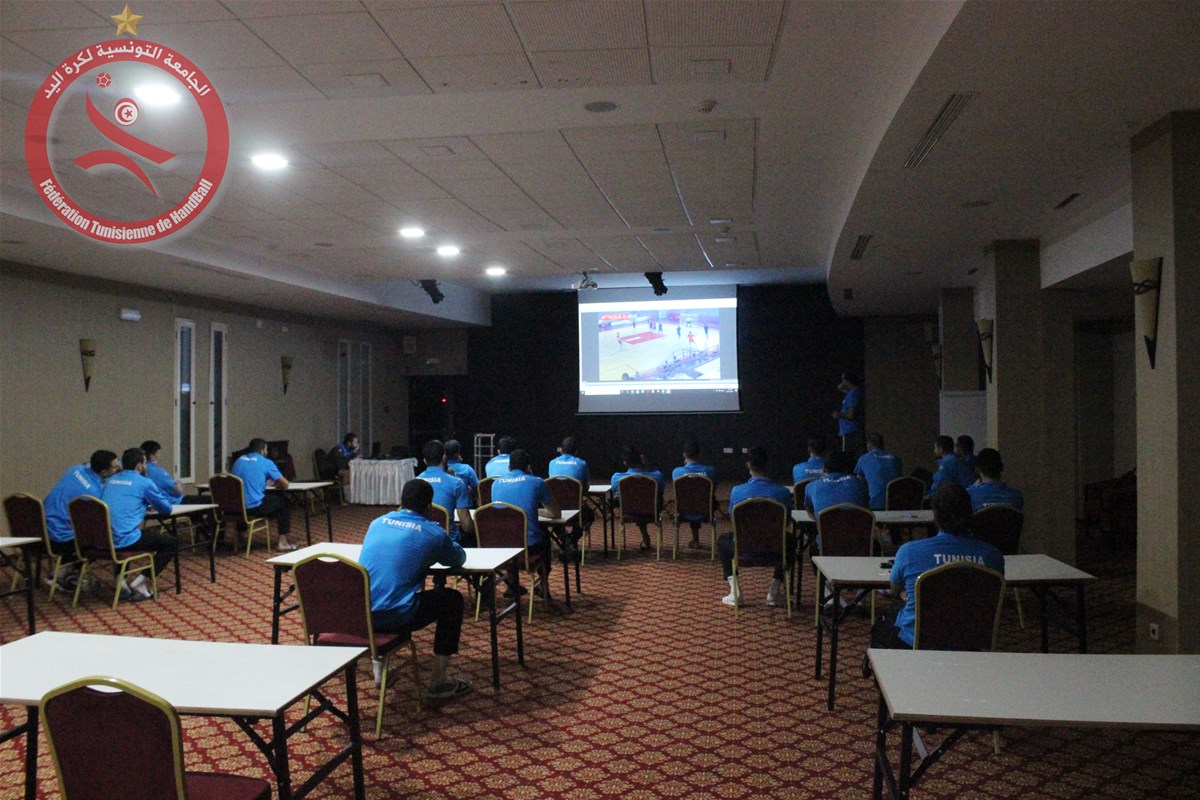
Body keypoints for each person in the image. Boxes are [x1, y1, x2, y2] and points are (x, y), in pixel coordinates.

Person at [359, 478, 471, 700]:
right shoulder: (432, 533)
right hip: (396, 616)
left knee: (382, 590)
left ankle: (379, 670)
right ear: (429, 507)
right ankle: (439, 681)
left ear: (401, 502)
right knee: (452, 600)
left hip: (361, 617)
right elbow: (458, 559)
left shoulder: (376, 523)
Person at [871, 483, 1005, 649]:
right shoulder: (993, 556)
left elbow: (894, 589)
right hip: (972, 639)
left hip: (918, 640)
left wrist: (909, 592)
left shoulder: (909, 552)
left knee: (882, 624)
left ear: (935, 514)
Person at [718, 447, 794, 607]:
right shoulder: (783, 493)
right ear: (767, 464)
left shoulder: (736, 492)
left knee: (723, 541)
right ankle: (774, 591)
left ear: (748, 465)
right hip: (775, 548)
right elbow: (786, 522)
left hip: (743, 548)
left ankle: (735, 592)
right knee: (791, 541)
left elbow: (734, 520)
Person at [100, 447, 178, 600]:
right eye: (145, 463)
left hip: (105, 538)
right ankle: (142, 582)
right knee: (171, 543)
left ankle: (121, 582)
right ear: (139, 466)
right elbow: (166, 509)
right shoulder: (144, 482)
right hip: (125, 539)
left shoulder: (110, 481)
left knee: (123, 528)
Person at [42, 450, 120, 582]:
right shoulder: (94, 492)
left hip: (43, 529)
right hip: (60, 538)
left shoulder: (75, 469)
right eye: (115, 467)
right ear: (103, 473)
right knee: (104, 541)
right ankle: (62, 574)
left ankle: (64, 572)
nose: (117, 468)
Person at [491, 449, 561, 587]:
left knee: (510, 535)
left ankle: (512, 584)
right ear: (528, 468)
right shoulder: (537, 482)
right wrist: (536, 511)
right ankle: (543, 584)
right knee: (545, 537)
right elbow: (555, 513)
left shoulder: (495, 484)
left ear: (509, 468)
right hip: (529, 549)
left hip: (502, 547)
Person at [231, 437, 296, 551]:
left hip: (236, 507)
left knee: (244, 498)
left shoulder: (238, 461)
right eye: (266, 449)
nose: (266, 452)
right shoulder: (266, 462)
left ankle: (240, 538)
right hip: (254, 507)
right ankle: (282, 543)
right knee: (284, 503)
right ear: (262, 450)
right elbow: (285, 484)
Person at [140, 440, 214, 537]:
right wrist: (178, 484)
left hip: (154, 506)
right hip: (174, 503)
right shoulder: (158, 471)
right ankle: (214, 535)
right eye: (158, 453)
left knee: (195, 511)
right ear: (151, 455)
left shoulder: (140, 471)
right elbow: (177, 490)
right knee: (212, 501)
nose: (159, 456)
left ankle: (207, 533)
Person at [804, 449, 869, 552]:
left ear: (824, 469)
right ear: (847, 468)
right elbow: (866, 508)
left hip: (826, 546)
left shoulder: (811, 486)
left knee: (813, 545)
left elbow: (810, 512)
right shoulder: (859, 484)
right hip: (858, 545)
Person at [416, 440, 474, 545]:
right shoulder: (457, 483)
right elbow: (467, 526)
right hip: (448, 544)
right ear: (444, 457)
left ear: (424, 461)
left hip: (421, 543)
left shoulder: (414, 483)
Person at [610, 445, 666, 551]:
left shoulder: (616, 478)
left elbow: (615, 492)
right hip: (651, 512)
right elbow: (661, 490)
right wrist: (646, 466)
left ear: (625, 462)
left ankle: (645, 538)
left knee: (637, 501)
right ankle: (645, 538)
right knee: (642, 501)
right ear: (641, 459)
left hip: (629, 512)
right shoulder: (657, 476)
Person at [671, 440, 718, 550]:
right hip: (705, 511)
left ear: (684, 455)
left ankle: (695, 540)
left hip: (683, 511)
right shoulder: (711, 471)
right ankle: (696, 540)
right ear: (699, 454)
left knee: (691, 501)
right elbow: (713, 489)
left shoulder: (676, 472)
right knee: (697, 501)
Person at [853, 433, 904, 511]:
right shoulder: (896, 459)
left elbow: (859, 485)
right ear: (883, 445)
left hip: (876, 505)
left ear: (868, 446)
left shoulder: (863, 459)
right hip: (897, 505)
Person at [925, 435, 975, 500]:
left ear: (941, 449)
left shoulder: (947, 462)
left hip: (960, 496)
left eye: (935, 448)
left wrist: (926, 497)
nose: (934, 450)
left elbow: (940, 485)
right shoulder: (954, 458)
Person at [832, 371, 864, 456]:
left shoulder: (854, 393)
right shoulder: (852, 392)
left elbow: (851, 414)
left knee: (847, 458)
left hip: (850, 431)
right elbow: (840, 388)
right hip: (851, 432)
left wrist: (839, 415)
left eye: (843, 380)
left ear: (847, 380)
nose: (842, 382)